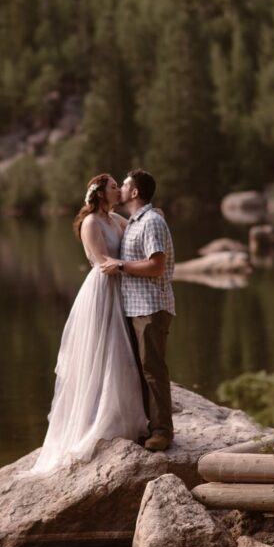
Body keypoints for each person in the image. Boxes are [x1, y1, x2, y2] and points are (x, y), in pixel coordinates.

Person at [28, 173, 148, 475]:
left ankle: (128, 417)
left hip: (120, 287)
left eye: (119, 186)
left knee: (122, 352)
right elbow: (103, 262)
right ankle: (98, 419)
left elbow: (134, 232)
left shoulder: (115, 219)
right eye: (112, 187)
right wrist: (128, 268)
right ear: (99, 193)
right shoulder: (92, 223)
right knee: (104, 350)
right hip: (103, 291)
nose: (118, 189)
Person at [101, 169, 175, 451]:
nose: (119, 189)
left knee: (153, 369)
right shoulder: (133, 222)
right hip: (135, 307)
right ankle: (148, 425)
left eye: (125, 185)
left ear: (134, 193)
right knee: (141, 370)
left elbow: (156, 266)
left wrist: (120, 265)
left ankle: (162, 432)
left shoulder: (152, 222)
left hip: (151, 307)